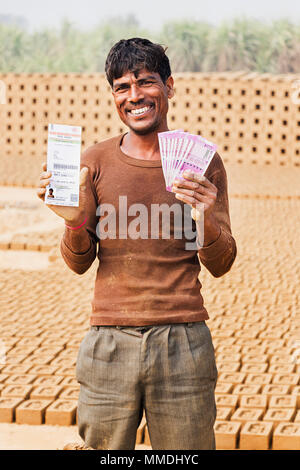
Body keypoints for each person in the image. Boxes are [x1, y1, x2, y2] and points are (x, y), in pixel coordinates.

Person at [37, 38, 237, 450]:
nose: (135, 96)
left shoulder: (200, 163)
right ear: (113, 95)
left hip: (183, 340)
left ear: (169, 85)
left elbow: (221, 262)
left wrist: (205, 218)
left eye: (146, 82)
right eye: (122, 87)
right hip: (108, 341)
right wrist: (75, 223)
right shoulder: (95, 161)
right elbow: (78, 263)